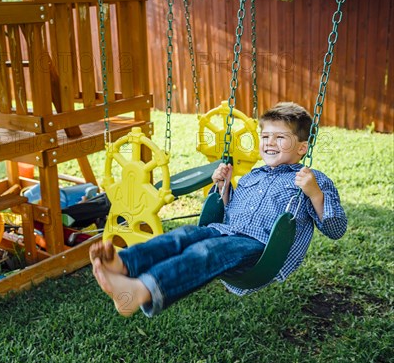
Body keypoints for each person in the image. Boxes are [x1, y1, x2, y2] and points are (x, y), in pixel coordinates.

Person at [90, 102, 347, 317]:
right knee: (184, 235)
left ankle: (142, 290)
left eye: (280, 137)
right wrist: (224, 187)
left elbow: (335, 229)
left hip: (262, 249)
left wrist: (314, 193)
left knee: (205, 251)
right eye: (265, 136)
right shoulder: (251, 176)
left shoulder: (312, 180)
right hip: (225, 231)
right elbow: (230, 212)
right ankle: (124, 263)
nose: (270, 143)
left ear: (302, 148)